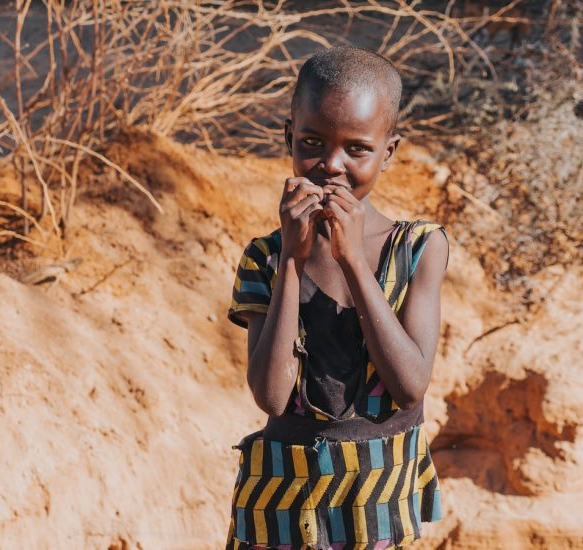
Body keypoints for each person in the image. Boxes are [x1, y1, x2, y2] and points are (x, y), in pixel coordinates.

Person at [226, 46, 448, 549]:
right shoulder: (264, 256)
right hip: (279, 502)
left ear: (388, 152)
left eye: (357, 149)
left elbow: (410, 384)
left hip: (377, 500)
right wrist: (291, 261)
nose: (331, 164)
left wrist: (351, 260)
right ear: (288, 136)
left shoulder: (418, 248)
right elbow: (271, 395)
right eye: (311, 141)